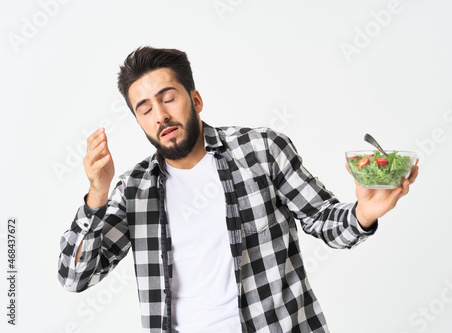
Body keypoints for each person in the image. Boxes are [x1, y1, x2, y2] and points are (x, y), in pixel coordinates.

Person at [58, 46, 419, 333]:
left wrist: (363, 213)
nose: (160, 115)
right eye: (145, 108)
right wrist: (97, 195)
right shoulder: (133, 191)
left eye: (168, 98)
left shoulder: (260, 150)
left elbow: (323, 220)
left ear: (195, 100)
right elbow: (75, 277)